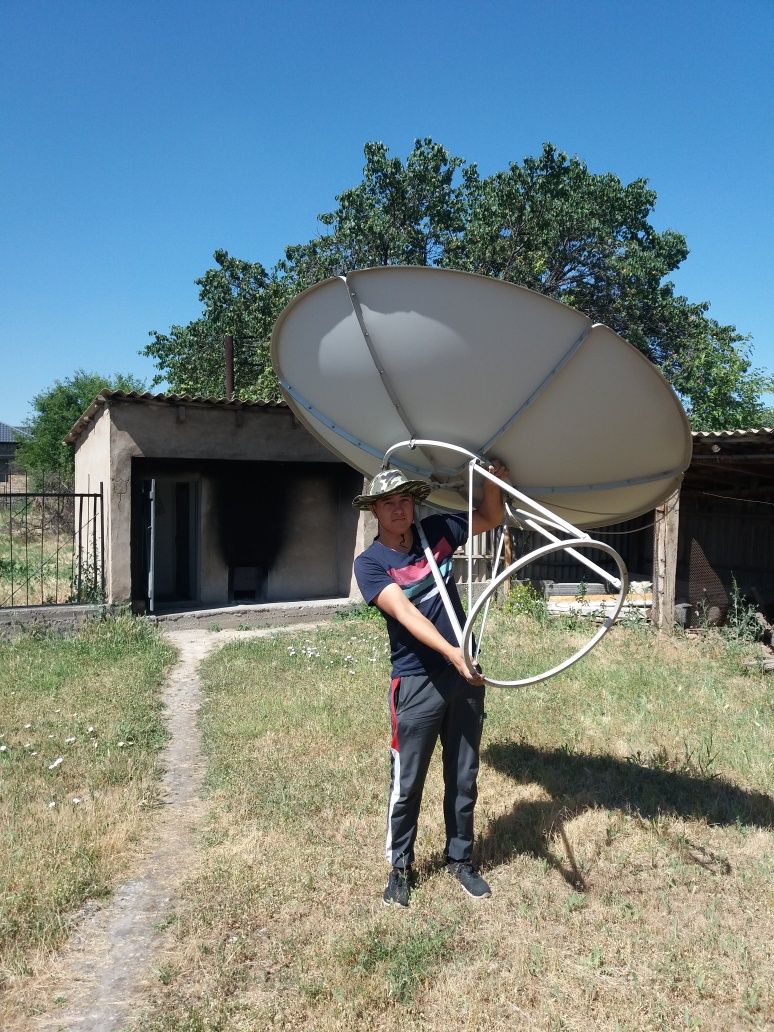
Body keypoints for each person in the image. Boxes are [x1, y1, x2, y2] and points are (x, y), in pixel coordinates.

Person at [352, 461, 509, 907]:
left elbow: (491, 517)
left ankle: (460, 859)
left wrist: (494, 482)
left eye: (404, 500)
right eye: (389, 503)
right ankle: (400, 867)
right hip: (417, 679)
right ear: (375, 511)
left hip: (464, 675)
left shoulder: (436, 531)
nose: (399, 509)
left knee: (463, 773)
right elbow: (406, 614)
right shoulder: (371, 564)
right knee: (408, 780)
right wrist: (453, 652)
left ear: (413, 503)